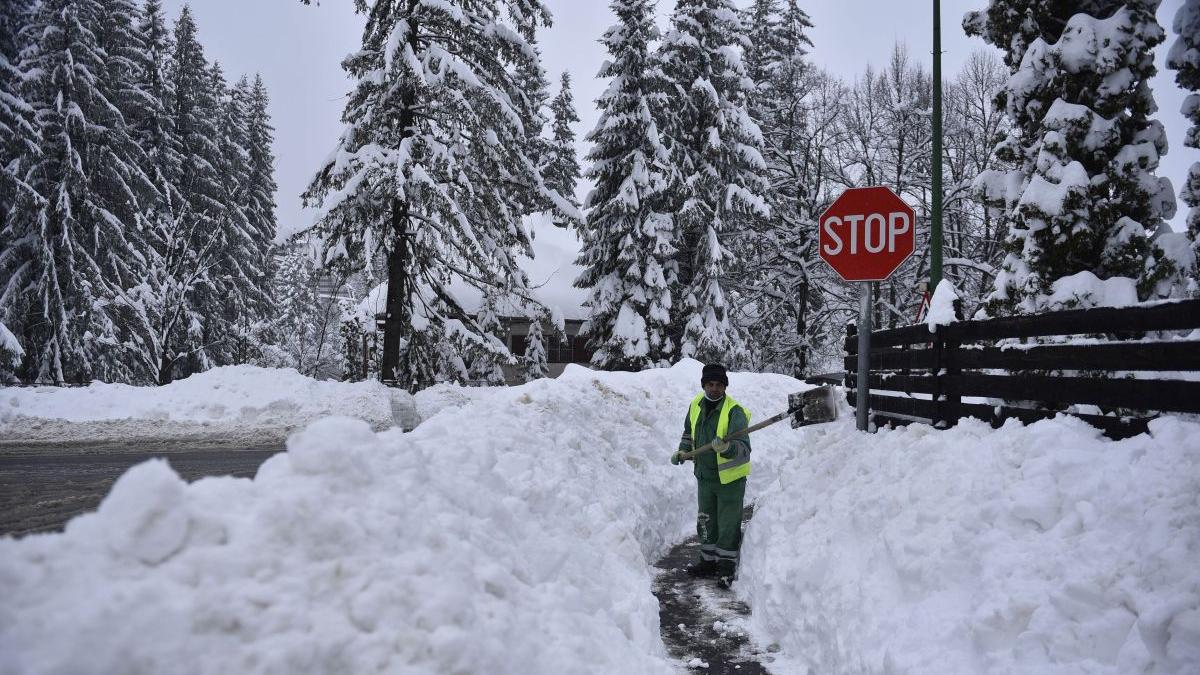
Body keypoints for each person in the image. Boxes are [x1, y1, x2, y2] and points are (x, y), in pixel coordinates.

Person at [670, 363, 751, 588]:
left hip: (730, 479)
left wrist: (727, 449)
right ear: (704, 385)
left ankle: (725, 567)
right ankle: (708, 561)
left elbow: (744, 448)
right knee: (706, 520)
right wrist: (683, 451)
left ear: (725, 386)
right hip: (705, 477)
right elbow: (689, 432)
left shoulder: (734, 412)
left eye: (719, 385)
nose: (714, 389)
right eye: (710, 384)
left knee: (727, 524)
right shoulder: (696, 404)